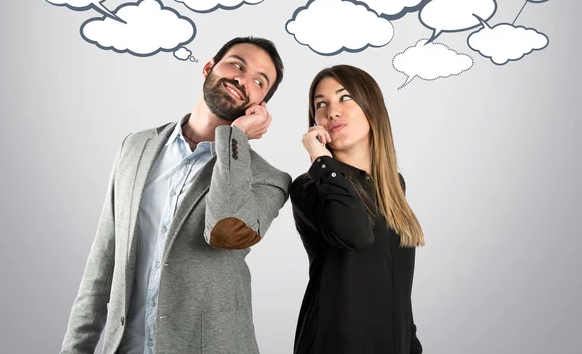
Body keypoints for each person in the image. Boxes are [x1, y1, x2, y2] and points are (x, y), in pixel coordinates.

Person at [60, 37, 292, 354]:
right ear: (209, 66)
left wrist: (234, 138)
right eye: (237, 64)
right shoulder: (135, 147)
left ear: (260, 105)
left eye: (258, 81)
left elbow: (224, 231)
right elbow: (102, 263)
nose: (242, 79)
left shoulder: (269, 179)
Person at [290, 65, 425, 354]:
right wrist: (321, 161)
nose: (332, 111)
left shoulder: (393, 185)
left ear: (371, 106)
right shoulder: (310, 187)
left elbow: (399, 289)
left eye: (345, 98)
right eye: (320, 104)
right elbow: (355, 235)